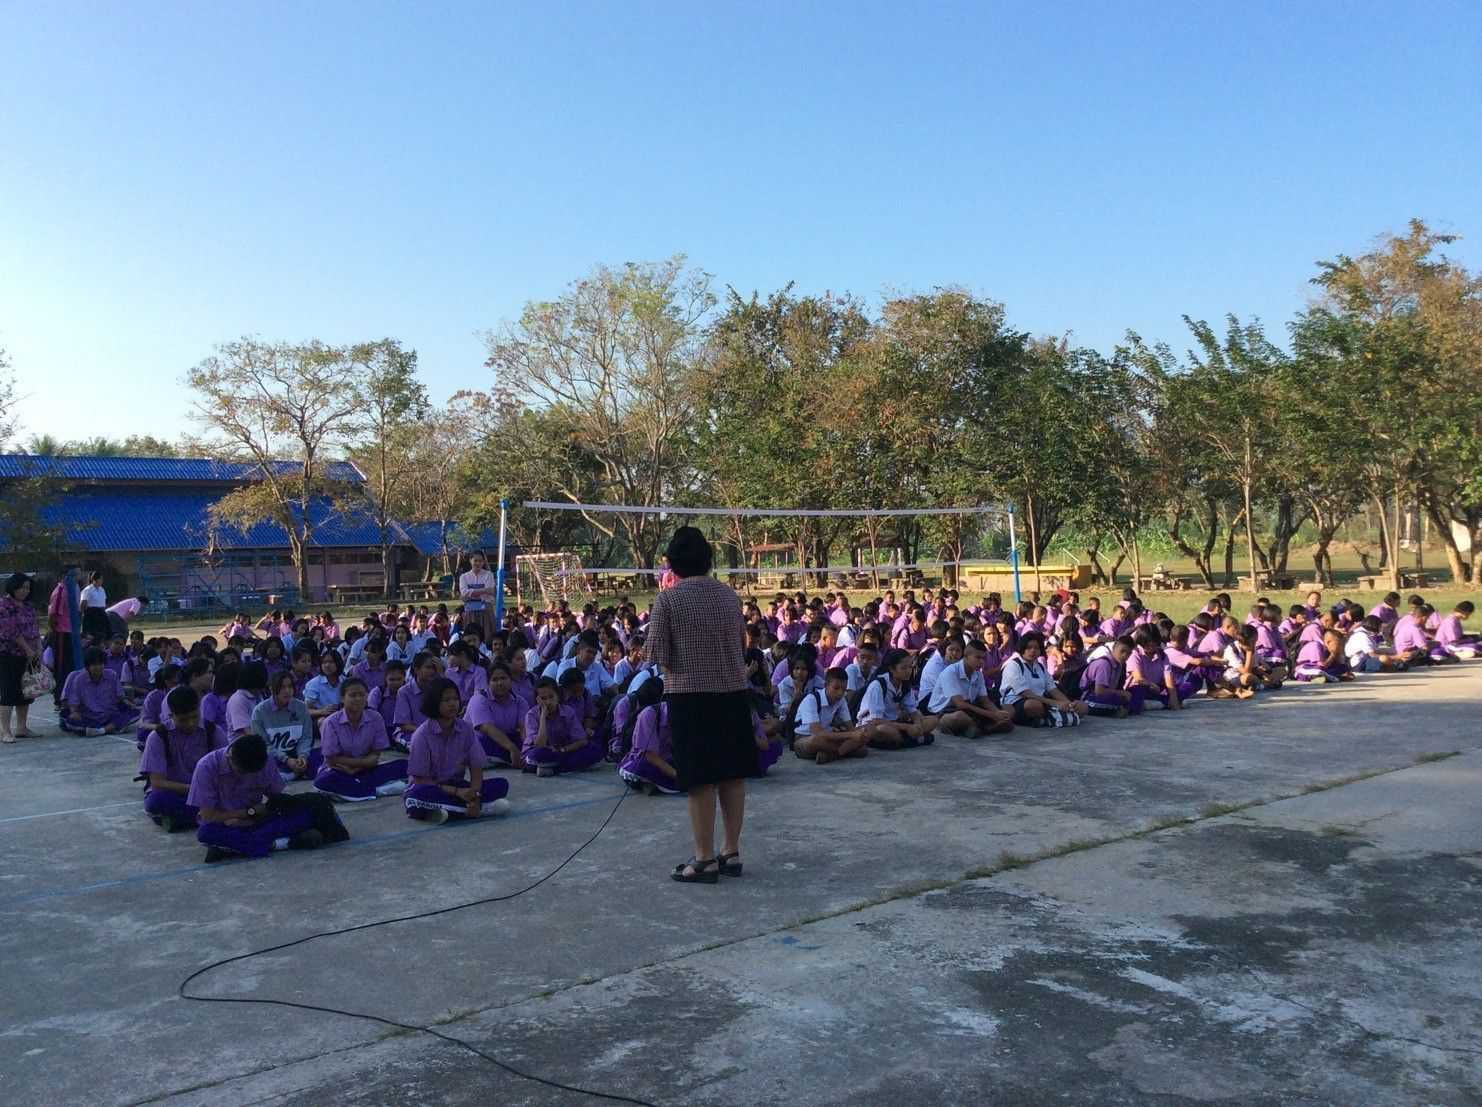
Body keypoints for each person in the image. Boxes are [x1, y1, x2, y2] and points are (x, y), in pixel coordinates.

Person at [643, 527, 754, 885]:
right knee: (732, 774)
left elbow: (657, 653)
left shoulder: (668, 600)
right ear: (707, 560)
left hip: (690, 696)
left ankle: (704, 858)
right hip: (733, 692)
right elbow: (742, 643)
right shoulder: (729, 596)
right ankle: (731, 851)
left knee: (700, 779)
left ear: (673, 563)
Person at [189, 733, 349, 861]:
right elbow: (208, 816)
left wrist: (260, 814)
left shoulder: (265, 762)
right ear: (229, 756)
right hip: (225, 823)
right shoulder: (206, 767)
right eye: (242, 772)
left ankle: (238, 848)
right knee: (206, 833)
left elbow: (277, 799)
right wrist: (248, 812)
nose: (246, 777)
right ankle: (285, 842)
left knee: (307, 811)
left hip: (258, 820)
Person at [403, 677, 510, 823]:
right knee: (416, 797)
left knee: (501, 784)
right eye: (446, 700)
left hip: (458, 785)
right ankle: (479, 810)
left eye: (455, 699)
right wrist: (457, 792)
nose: (453, 704)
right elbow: (420, 779)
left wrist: (474, 796)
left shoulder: (465, 729)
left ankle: (450, 810)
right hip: (432, 788)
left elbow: (476, 767)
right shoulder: (421, 735)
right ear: (434, 703)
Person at [139, 686, 230, 832]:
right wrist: (193, 789)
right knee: (156, 801)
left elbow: (227, 771)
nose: (190, 723)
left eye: (194, 717)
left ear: (199, 709)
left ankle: (183, 820)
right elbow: (157, 783)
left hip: (207, 793)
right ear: (171, 715)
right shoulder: (158, 737)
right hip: (176, 792)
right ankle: (211, 817)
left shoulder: (213, 731)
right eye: (183, 720)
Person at [313, 676, 409, 801]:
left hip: (366, 768)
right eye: (352, 695)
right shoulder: (331, 722)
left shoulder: (375, 718)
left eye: (362, 695)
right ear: (342, 698)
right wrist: (357, 766)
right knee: (323, 782)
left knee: (404, 765)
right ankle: (378, 791)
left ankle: (357, 789)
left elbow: (375, 754)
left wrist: (359, 768)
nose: (358, 699)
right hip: (339, 769)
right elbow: (331, 759)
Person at [928, 639, 1015, 737]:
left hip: (969, 708)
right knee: (959, 717)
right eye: (978, 657)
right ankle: (982, 727)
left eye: (983, 658)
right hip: (945, 711)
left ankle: (976, 727)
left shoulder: (978, 674)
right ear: (966, 656)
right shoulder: (950, 672)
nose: (981, 662)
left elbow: (984, 700)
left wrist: (997, 713)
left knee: (1008, 712)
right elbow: (960, 704)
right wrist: (992, 715)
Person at [998, 631, 1088, 726]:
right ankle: (1053, 717)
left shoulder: (1040, 666)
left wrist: (1068, 704)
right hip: (1017, 702)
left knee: (1083, 707)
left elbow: (1053, 689)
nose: (1033, 651)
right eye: (1029, 648)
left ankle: (1049, 718)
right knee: (1033, 706)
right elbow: (1026, 693)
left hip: (1043, 701)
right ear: (1022, 649)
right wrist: (1055, 703)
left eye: (1036, 648)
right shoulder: (1013, 665)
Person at [856, 648, 939, 748]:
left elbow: (913, 711)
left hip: (895, 723)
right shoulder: (878, 685)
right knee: (885, 730)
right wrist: (907, 727)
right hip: (873, 725)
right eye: (904, 668)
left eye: (910, 667)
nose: (908, 671)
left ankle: (906, 741)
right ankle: (913, 740)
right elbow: (876, 720)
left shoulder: (905, 685)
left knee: (933, 720)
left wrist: (917, 725)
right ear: (892, 669)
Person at [522, 676, 604, 777]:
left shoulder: (568, 711)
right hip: (541, 753)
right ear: (537, 700)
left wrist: (563, 749)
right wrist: (543, 716)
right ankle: (563, 767)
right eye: (543, 698)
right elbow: (540, 745)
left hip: (563, 751)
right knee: (537, 755)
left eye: (551, 697)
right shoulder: (531, 715)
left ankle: (553, 769)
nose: (548, 702)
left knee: (594, 750)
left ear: (557, 696)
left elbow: (582, 740)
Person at [618, 678, 684, 794]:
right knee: (641, 768)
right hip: (648, 761)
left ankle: (659, 784)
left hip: (669, 759)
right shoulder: (649, 714)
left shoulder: (686, 716)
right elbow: (651, 756)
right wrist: (676, 775)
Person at [792, 667, 871, 764]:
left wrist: (860, 734)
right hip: (805, 737)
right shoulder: (811, 699)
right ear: (826, 685)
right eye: (836, 688)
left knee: (863, 741)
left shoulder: (841, 700)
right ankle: (840, 752)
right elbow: (817, 733)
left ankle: (831, 754)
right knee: (816, 741)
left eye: (844, 689)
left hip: (828, 736)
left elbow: (850, 728)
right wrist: (851, 735)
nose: (840, 693)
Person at [250, 671, 317, 781]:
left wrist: (302, 756)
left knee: (320, 757)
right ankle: (290, 774)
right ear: (272, 689)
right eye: (282, 687)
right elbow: (263, 744)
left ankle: (295, 771)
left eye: (290, 686)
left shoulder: (301, 707)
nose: (287, 691)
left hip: (296, 754)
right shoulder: (259, 711)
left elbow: (306, 737)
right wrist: (286, 759)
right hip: (274, 757)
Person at [0, 573, 42, 742]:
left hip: (31, 654)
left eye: (27, 588)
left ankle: (22, 727)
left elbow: (35, 627)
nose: (25, 591)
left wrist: (38, 647)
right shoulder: (4, 606)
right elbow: (10, 631)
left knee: (27, 691)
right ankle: (5, 731)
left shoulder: (28, 606)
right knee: (9, 692)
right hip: (10, 654)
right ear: (13, 587)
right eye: (22, 587)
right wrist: (27, 649)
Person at [60, 647, 138, 735]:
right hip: (88, 716)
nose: (98, 667)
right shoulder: (79, 679)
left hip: (109, 715)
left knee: (134, 713)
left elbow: (120, 696)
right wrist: (74, 712)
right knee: (69, 719)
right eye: (94, 665)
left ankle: (101, 730)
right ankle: (111, 728)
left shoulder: (112, 675)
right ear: (87, 666)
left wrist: (128, 703)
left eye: (100, 664)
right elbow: (74, 701)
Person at [465, 661, 526, 768]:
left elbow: (524, 728)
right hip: (482, 741)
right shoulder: (479, 699)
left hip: (506, 739)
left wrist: (526, 747)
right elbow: (487, 728)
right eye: (495, 679)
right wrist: (512, 748)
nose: (500, 683)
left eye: (503, 678)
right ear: (488, 683)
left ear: (511, 680)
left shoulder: (520, 701)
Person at [47, 568, 78, 706]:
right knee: (61, 667)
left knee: (69, 666)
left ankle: (68, 695)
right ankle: (59, 697)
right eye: (73, 575)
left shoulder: (71, 590)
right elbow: (53, 615)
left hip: (70, 633)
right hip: (61, 633)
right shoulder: (61, 591)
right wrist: (55, 631)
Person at [458, 551, 498, 641]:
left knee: (488, 638)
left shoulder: (488, 575)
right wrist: (484, 590)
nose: (478, 563)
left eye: (480, 561)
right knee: (471, 639)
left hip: (486, 612)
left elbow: (491, 591)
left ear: (483, 562)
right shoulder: (464, 577)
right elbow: (464, 593)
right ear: (470, 561)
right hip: (470, 612)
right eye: (475, 560)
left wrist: (471, 592)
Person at [79, 570, 109, 644]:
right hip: (91, 614)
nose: (102, 581)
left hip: (101, 614)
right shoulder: (87, 590)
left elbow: (103, 603)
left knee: (103, 634)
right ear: (95, 580)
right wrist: (84, 614)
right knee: (91, 636)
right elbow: (83, 603)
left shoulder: (102, 589)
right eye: (100, 579)